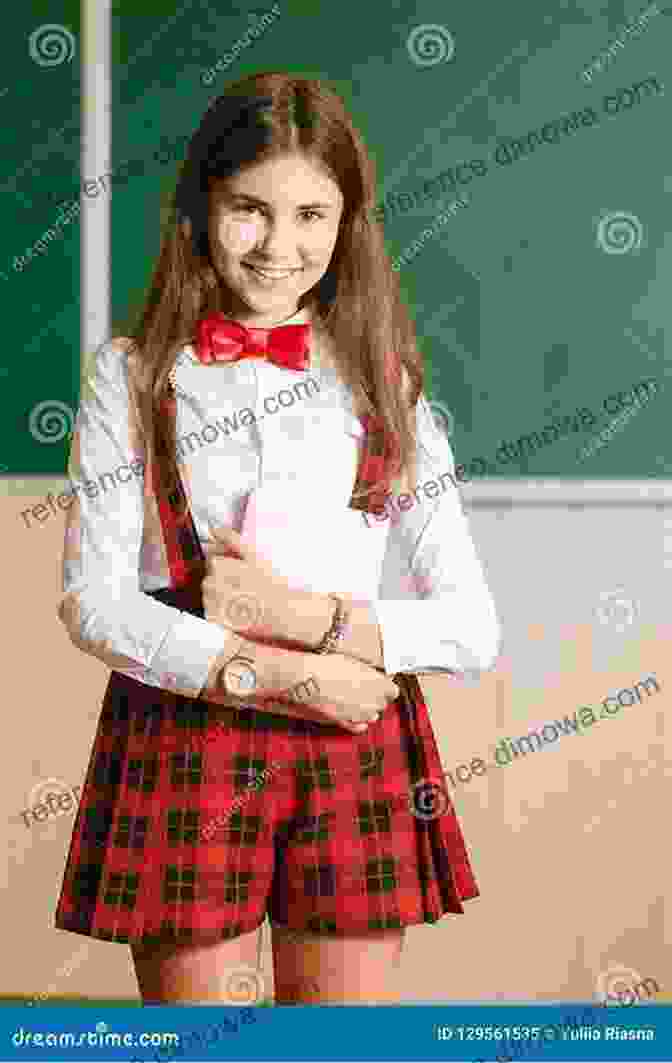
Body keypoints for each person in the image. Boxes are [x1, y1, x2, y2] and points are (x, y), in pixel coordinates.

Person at [54, 71, 501, 1006]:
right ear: (201, 208)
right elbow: (94, 603)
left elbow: (470, 627)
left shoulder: (386, 384)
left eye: (313, 215)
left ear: (348, 225)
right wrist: (288, 672)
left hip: (355, 734)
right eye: (250, 210)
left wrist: (297, 616)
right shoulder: (130, 375)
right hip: (191, 722)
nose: (280, 247)